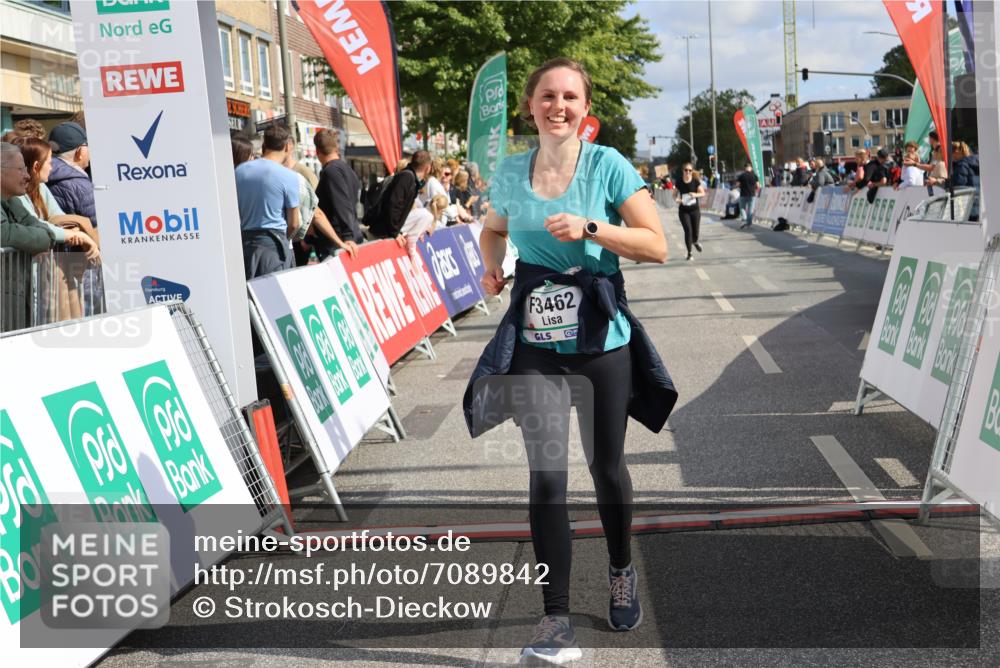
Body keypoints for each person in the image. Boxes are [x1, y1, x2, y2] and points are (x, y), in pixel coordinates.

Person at [463, 57, 676, 665]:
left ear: (586, 110)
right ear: (529, 107)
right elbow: (494, 229)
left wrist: (590, 226)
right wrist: (489, 265)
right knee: (547, 476)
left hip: (601, 340)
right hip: (535, 342)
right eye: (548, 96)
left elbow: (656, 245)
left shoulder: (606, 165)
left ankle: (619, 568)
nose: (559, 106)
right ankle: (555, 615)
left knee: (606, 470)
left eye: (570, 97)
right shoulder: (510, 169)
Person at [1, 142, 96, 256]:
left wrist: (62, 233)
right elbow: (5, 233)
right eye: (20, 169)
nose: (27, 176)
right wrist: (50, 236)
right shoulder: (15, 197)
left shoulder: (13, 199)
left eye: (25, 169)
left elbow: (33, 221)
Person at [234, 124, 300, 279]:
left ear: (265, 144)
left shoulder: (239, 171)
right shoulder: (289, 176)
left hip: (245, 245)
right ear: (287, 146)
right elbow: (294, 223)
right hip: (273, 246)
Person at [306, 128, 362, 262]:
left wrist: (348, 237)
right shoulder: (346, 169)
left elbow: (342, 204)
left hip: (339, 242)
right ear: (335, 148)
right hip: (345, 238)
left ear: (317, 152)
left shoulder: (331, 172)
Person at [368, 150, 433, 252]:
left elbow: (405, 209)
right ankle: (410, 243)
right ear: (428, 168)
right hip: (382, 231)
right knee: (427, 215)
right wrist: (394, 233)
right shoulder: (407, 177)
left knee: (426, 216)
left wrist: (420, 228)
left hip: (388, 230)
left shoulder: (411, 178)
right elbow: (393, 205)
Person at [673, 162, 705, 260]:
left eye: (690, 170)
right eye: (686, 170)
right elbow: (674, 195)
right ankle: (689, 253)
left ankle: (695, 241)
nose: (688, 172)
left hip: (695, 210)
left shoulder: (695, 181)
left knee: (695, 232)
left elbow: (702, 193)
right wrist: (678, 200)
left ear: (692, 171)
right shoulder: (679, 182)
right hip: (684, 211)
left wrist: (695, 195)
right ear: (683, 171)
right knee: (688, 230)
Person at [736, 163, 759, 230]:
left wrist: (740, 186)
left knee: (742, 208)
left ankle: (744, 219)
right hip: (752, 195)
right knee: (750, 210)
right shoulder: (754, 176)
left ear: (745, 168)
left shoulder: (741, 176)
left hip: (743, 194)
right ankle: (749, 223)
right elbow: (758, 186)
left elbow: (737, 185)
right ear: (751, 168)